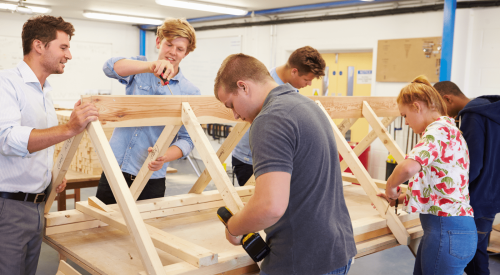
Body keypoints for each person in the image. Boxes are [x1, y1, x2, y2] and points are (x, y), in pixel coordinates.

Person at [215, 53, 356, 275]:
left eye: (231, 104)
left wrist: (234, 227)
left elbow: (270, 207)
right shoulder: (306, 105)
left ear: (243, 86)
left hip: (302, 261)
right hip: (336, 250)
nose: (235, 115)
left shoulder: (270, 119)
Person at [0, 15, 99, 275]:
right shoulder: (6, 83)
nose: (69, 55)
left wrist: (48, 175)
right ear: (39, 46)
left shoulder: (44, 91)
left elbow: (40, 142)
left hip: (37, 206)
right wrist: (69, 128)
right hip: (8, 208)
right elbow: (8, 139)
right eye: (63, 47)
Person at [95, 18, 199, 204]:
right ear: (159, 42)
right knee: (104, 229)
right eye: (169, 45)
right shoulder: (139, 67)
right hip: (115, 168)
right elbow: (109, 67)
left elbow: (188, 139)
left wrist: (166, 156)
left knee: (145, 229)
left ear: (186, 53)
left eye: (180, 49)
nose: (173, 52)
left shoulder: (189, 91)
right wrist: (150, 67)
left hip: (151, 177)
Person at [379, 76, 476, 275]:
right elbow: (440, 185)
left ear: (417, 107)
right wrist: (403, 197)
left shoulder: (438, 130)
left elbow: (407, 168)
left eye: (404, 115)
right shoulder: (450, 129)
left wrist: (390, 186)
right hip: (451, 231)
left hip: (445, 231)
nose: (405, 122)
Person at [231, 46, 325, 186]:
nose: (309, 84)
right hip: (249, 160)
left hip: (275, 159)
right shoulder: (265, 84)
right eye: (306, 79)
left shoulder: (290, 89)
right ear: (294, 71)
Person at [434, 81, 500, 275]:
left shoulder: (472, 115)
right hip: (493, 192)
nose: (440, 113)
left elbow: (472, 164)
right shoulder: (491, 109)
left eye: (440, 106)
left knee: (474, 256)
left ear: (448, 99)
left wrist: (450, 192)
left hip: (479, 196)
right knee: (478, 251)